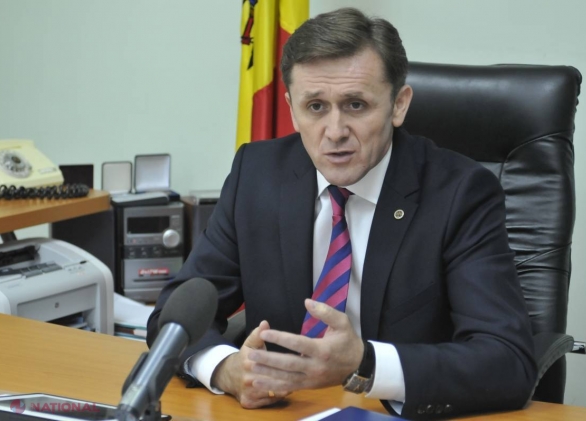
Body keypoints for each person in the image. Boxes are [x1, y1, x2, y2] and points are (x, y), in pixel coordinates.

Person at [147, 7, 537, 419]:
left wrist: (366, 363)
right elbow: (172, 317)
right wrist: (225, 369)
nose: (334, 132)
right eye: (316, 106)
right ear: (291, 109)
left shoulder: (461, 193)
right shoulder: (257, 175)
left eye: (355, 105)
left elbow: (507, 361)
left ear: (398, 105)